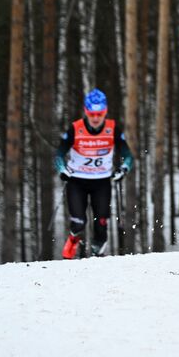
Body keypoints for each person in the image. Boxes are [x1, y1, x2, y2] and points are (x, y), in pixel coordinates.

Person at [55, 89, 133, 259]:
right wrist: (62, 169)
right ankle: (73, 239)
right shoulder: (76, 129)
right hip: (77, 181)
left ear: (105, 112)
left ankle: (98, 256)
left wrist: (124, 169)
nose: (96, 118)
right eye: (92, 114)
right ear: (86, 111)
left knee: (101, 223)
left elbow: (128, 155)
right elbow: (59, 154)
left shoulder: (112, 129)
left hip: (101, 181)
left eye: (100, 114)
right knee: (78, 222)